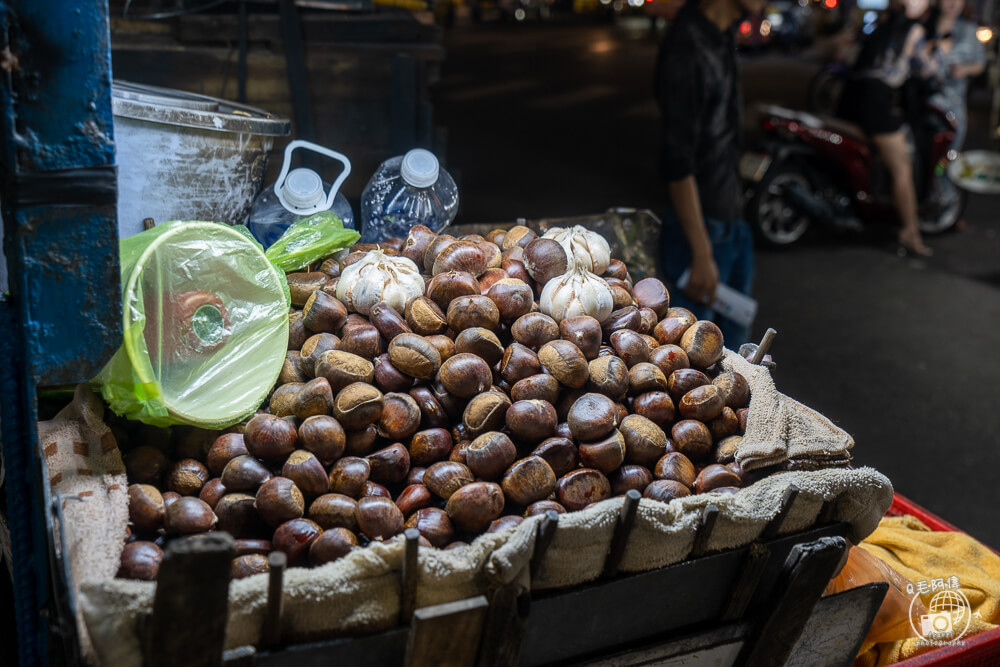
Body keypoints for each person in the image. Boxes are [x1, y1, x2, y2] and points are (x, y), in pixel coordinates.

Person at [654, 0, 764, 349]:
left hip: (733, 221)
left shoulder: (722, 34)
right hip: (700, 232)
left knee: (736, 359)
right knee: (694, 358)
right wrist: (701, 253)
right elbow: (678, 162)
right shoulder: (687, 45)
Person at [835, 0, 935, 256]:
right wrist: (938, 53)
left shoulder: (882, 24)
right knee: (902, 169)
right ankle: (910, 231)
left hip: (853, 97)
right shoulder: (914, 30)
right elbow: (925, 69)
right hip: (879, 102)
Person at [925, 0, 987, 150]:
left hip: (955, 105)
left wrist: (965, 69)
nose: (952, 4)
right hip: (924, 103)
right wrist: (933, 46)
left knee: (949, 152)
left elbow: (981, 63)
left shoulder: (970, 30)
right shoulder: (924, 28)